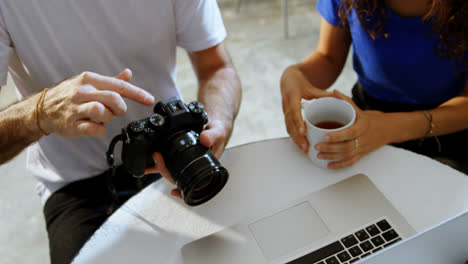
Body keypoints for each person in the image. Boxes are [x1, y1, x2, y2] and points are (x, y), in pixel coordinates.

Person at [0, 1, 241, 263]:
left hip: (170, 156)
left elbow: (216, 67)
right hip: (75, 183)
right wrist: (39, 113)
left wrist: (217, 122)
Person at [281, 0, 467, 173]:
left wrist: (391, 128)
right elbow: (328, 57)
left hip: (448, 127)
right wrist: (296, 74)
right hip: (367, 116)